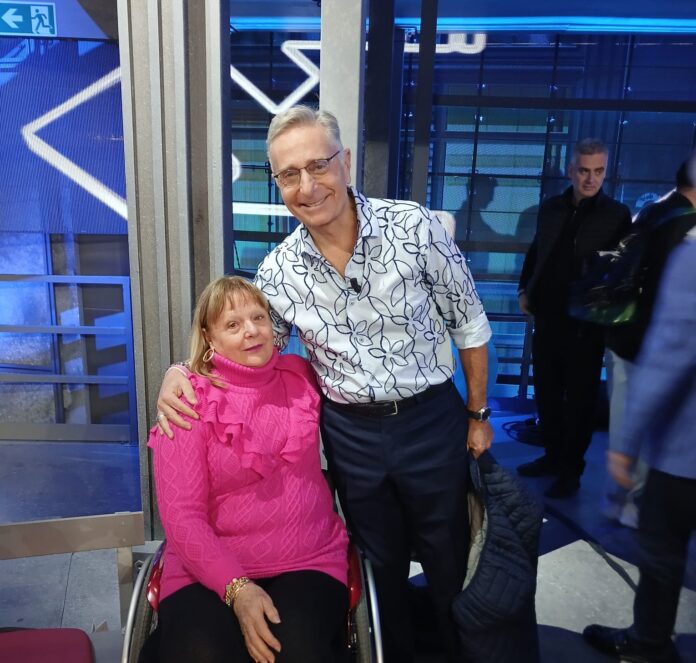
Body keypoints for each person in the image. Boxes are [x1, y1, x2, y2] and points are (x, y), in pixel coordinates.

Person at [156, 105, 493, 662]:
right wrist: (180, 370)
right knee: (379, 561)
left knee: (447, 554)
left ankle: (463, 652)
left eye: (319, 165)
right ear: (278, 183)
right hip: (350, 431)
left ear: (346, 161)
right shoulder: (278, 272)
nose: (308, 187)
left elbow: (470, 325)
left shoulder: (415, 227)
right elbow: (249, 348)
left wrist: (478, 415)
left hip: (429, 417)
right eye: (290, 174)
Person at [146, 276, 349, 663]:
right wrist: (237, 589)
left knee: (296, 650)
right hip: (204, 565)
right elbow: (182, 518)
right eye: (233, 324)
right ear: (209, 337)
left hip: (309, 557)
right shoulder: (185, 401)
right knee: (202, 654)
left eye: (258, 317)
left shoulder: (301, 375)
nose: (252, 331)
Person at [583, 229, 696, 663]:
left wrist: (626, 443)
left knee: (663, 552)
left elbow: (671, 354)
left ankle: (649, 643)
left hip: (685, 453)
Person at [517, 138, 631, 498]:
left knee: (580, 399)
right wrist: (524, 290)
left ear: (606, 172)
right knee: (547, 392)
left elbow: (622, 268)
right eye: (584, 170)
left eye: (598, 171)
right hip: (549, 314)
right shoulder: (551, 208)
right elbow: (537, 251)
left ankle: (571, 470)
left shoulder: (616, 214)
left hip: (586, 322)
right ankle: (552, 457)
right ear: (571, 170)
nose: (591, 178)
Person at [603, 156, 696, 528]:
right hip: (648, 341)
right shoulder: (686, 225)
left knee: (622, 418)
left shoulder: (651, 211)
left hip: (621, 331)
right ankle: (632, 501)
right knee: (646, 422)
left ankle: (617, 498)